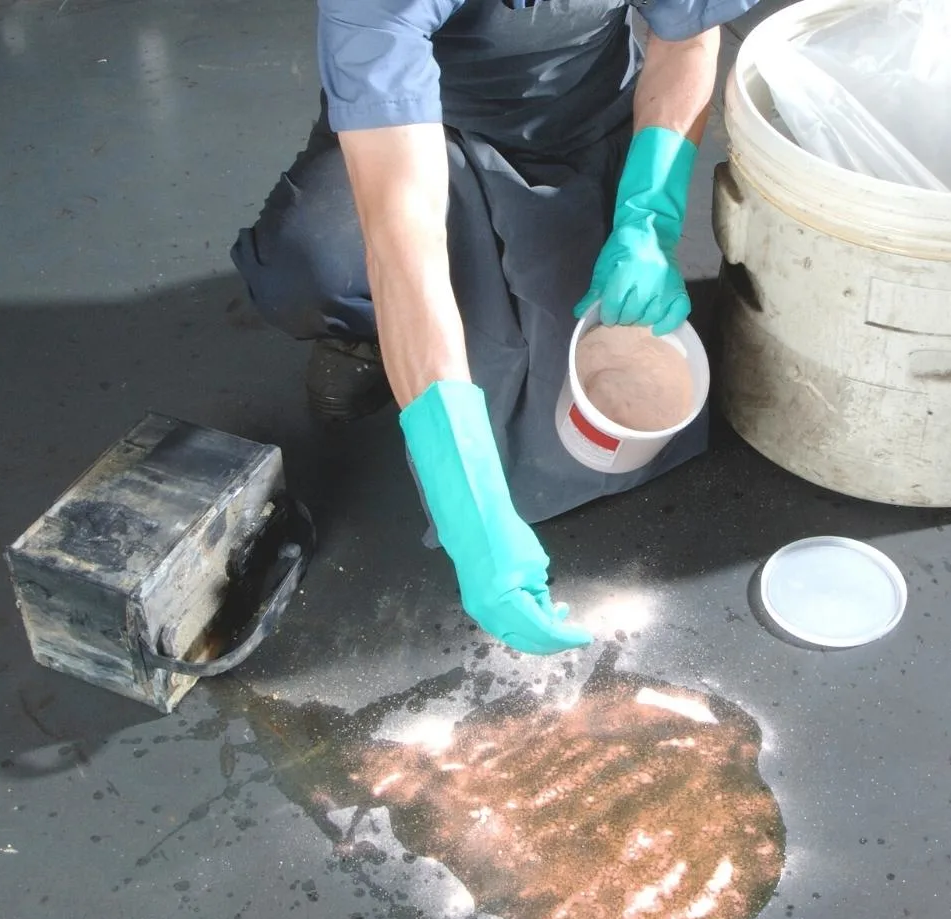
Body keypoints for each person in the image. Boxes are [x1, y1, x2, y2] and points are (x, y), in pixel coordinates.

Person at [232, 0, 759, 655]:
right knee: (312, 270)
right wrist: (469, 513)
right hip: (421, 125)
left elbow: (686, 37)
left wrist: (648, 216)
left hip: (583, 115)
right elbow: (403, 237)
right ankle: (365, 330)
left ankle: (547, 247)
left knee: (589, 339)